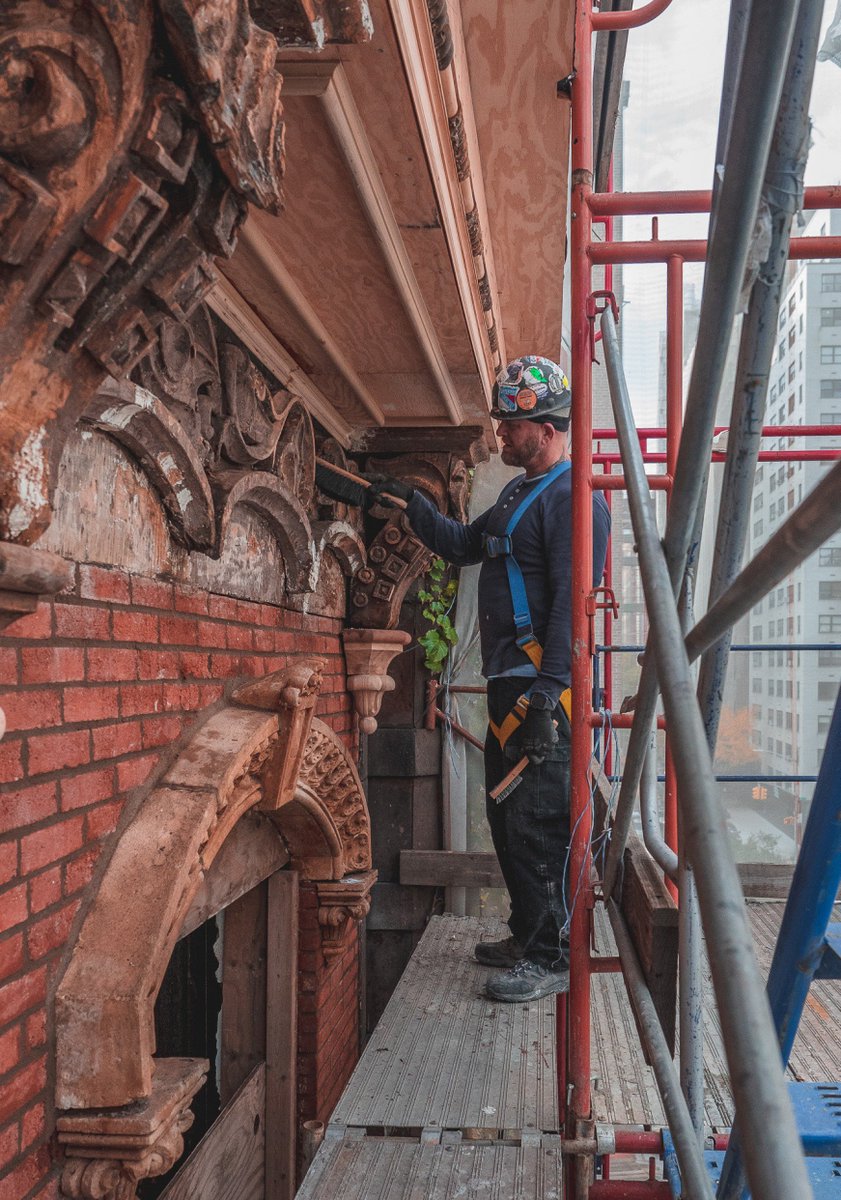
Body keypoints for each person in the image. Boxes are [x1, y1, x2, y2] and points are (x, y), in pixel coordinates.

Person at [367, 355, 611, 1002]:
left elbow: (572, 607)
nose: (500, 434)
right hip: (513, 682)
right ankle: (528, 932)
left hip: (543, 689)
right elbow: (464, 545)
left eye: (511, 425)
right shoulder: (518, 494)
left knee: (539, 820)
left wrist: (545, 696)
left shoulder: (574, 499)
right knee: (507, 816)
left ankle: (551, 955)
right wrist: (413, 506)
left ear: (547, 429)